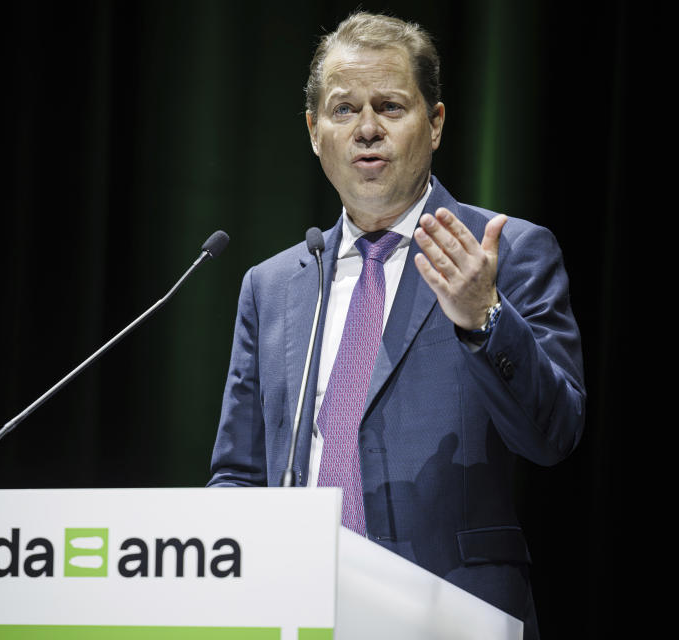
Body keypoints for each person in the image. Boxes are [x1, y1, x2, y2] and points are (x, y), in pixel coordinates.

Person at [207, 12, 584, 639]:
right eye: (344, 109)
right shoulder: (272, 287)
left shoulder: (504, 253)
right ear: (313, 131)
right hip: (297, 615)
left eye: (389, 105)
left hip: (450, 613)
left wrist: (485, 318)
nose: (366, 130)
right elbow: (239, 475)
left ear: (435, 124)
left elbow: (554, 434)